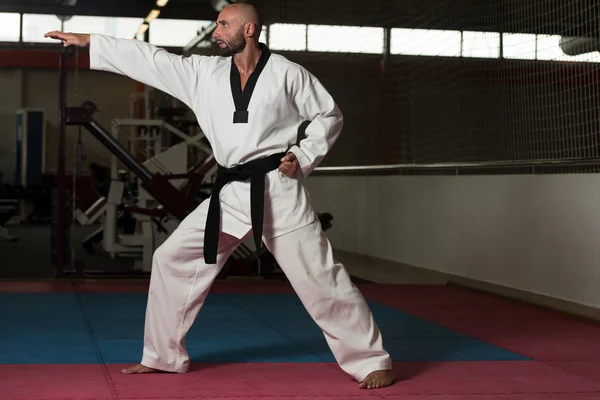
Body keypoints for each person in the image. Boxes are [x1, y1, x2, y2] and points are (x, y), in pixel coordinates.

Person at [45, 3, 395, 390]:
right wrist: (92, 42)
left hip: (277, 189)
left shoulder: (287, 74)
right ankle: (163, 356)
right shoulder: (203, 73)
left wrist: (303, 155)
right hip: (230, 192)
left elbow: (329, 116)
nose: (216, 31)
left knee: (320, 276)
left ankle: (370, 360)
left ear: (249, 30)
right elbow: (152, 60)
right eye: (217, 23)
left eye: (224, 24)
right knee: (171, 257)